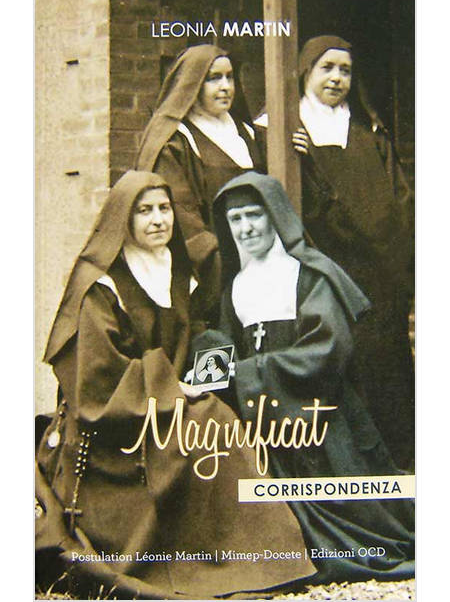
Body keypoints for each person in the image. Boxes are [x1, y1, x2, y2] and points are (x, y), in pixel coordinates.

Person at [35, 170, 316, 599]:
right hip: (114, 421)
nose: (158, 220)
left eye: (164, 209)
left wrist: (208, 369)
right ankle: (198, 562)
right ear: (123, 219)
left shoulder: (179, 270)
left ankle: (251, 558)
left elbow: (198, 331)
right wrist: (171, 387)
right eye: (144, 211)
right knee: (204, 425)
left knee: (218, 419)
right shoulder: (100, 285)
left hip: (167, 401)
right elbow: (95, 376)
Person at [194, 171, 414, 585]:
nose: (246, 228)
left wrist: (246, 373)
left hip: (319, 418)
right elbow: (223, 345)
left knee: (369, 525)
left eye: (255, 215)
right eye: (236, 219)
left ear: (276, 215)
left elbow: (326, 351)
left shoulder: (311, 274)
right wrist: (209, 367)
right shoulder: (234, 287)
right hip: (263, 423)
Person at [258, 35, 414, 469]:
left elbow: (396, 204)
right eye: (326, 68)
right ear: (305, 72)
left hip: (376, 273)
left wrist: (396, 264)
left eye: (345, 70)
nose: (337, 78)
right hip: (324, 268)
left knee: (383, 369)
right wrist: (302, 162)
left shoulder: (369, 135)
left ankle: (393, 465)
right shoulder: (280, 132)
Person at [136, 44, 265, 320]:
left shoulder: (248, 133)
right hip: (210, 267)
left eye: (229, 77)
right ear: (192, 84)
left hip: (257, 255)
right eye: (213, 78)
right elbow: (183, 216)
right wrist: (221, 261)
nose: (225, 86)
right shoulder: (176, 140)